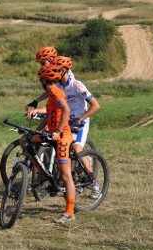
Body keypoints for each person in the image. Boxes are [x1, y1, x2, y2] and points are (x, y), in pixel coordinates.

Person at [27, 55, 101, 198]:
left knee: (76, 148)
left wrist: (80, 118)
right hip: (65, 121)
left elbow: (96, 105)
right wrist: (36, 109)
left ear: (66, 70)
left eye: (59, 70)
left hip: (80, 121)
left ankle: (94, 184)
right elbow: (50, 107)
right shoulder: (58, 86)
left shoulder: (76, 85)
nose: (56, 72)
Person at [34, 64, 76, 224]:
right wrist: (37, 131)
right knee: (29, 142)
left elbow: (66, 110)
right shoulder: (51, 94)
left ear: (45, 81)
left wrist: (58, 131)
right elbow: (50, 115)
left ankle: (70, 212)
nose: (40, 82)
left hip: (62, 135)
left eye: (40, 80)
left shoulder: (56, 93)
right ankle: (42, 174)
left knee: (66, 175)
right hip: (52, 133)